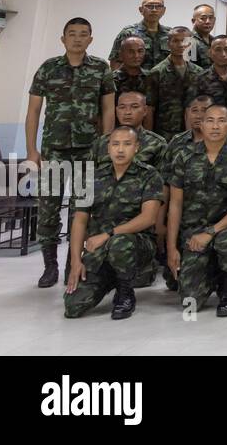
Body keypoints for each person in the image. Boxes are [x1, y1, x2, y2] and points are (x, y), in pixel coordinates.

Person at [27, 17, 116, 288]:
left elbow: (108, 109)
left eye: (83, 34)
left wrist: (105, 145)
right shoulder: (48, 68)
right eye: (72, 34)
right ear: (63, 39)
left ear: (90, 39)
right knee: (48, 208)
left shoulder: (101, 68)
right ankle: (50, 265)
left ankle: (74, 263)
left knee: (82, 209)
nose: (77, 38)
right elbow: (33, 111)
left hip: (88, 150)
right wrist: (32, 150)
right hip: (54, 150)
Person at [62, 125, 162, 319]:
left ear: (137, 147)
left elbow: (148, 217)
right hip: (99, 248)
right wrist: (76, 261)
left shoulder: (149, 175)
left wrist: (108, 234)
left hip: (135, 244)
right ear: (108, 148)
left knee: (119, 243)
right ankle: (110, 277)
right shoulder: (90, 178)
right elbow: (80, 221)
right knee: (73, 306)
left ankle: (125, 293)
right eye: (115, 144)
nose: (120, 149)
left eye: (127, 144)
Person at [166, 104, 227, 317]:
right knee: (189, 300)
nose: (215, 126)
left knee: (226, 243)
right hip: (193, 231)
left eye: (221, 121)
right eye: (210, 120)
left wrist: (211, 231)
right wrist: (171, 248)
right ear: (202, 124)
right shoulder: (184, 157)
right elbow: (175, 204)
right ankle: (212, 271)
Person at [146, 26, 202, 140]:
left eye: (185, 41)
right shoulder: (157, 72)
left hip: (193, 133)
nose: (181, 45)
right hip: (164, 134)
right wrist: (149, 138)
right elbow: (149, 109)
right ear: (168, 44)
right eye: (176, 41)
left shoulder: (199, 72)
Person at [108, 0, 171, 70]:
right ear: (141, 10)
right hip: (136, 81)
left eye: (158, 6)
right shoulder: (128, 33)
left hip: (164, 81)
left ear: (163, 10)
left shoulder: (171, 34)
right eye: (149, 6)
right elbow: (116, 61)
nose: (154, 9)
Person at [191, 35, 227, 111]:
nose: (223, 54)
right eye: (218, 50)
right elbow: (192, 109)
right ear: (209, 53)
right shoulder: (199, 79)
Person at [111, 37, 152, 122]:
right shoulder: (111, 80)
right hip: (119, 130)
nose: (136, 55)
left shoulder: (151, 78)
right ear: (121, 54)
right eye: (131, 52)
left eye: (140, 51)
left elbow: (152, 109)